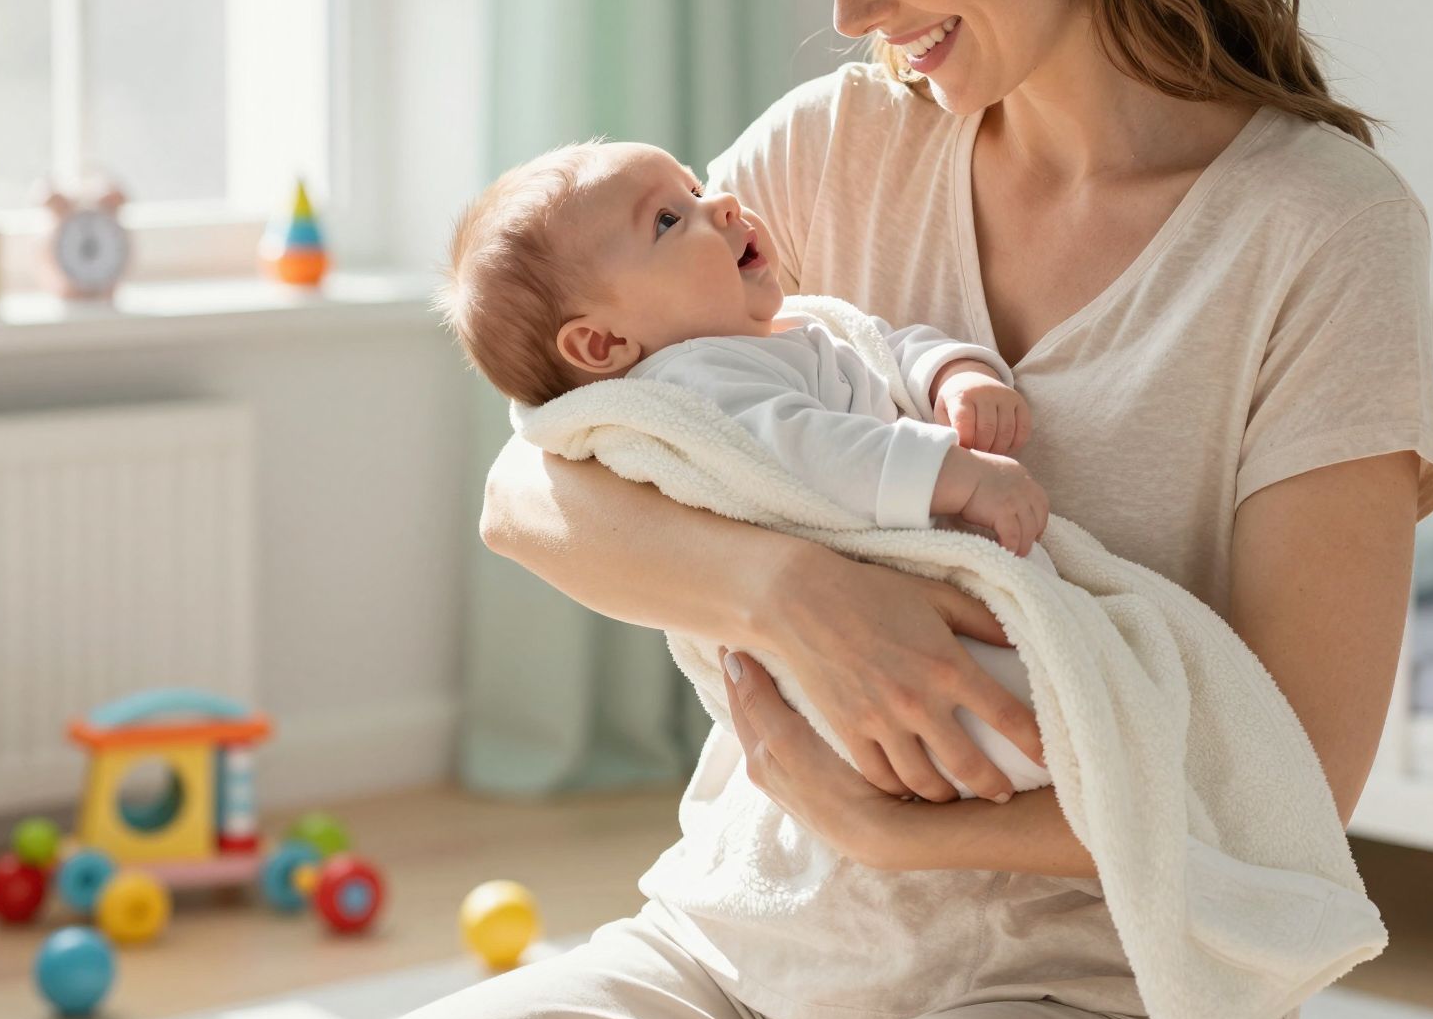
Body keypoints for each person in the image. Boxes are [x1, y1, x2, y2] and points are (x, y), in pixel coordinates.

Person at [280, 0, 1433, 1019]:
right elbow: (538, 485)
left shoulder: (1316, 232)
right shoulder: (832, 151)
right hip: (735, 953)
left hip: (1096, 1005)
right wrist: (800, 598)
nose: (848, 14)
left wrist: (910, 830)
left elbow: (1296, 781)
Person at [433, 137, 1054, 799]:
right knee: (1037, 720)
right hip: (897, 632)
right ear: (604, 342)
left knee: (1077, 685)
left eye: (696, 189)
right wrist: (961, 476)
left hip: (941, 605)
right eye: (669, 220)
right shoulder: (693, 386)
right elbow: (809, 455)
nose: (723, 204)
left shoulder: (774, 332)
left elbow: (878, 348)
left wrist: (952, 375)